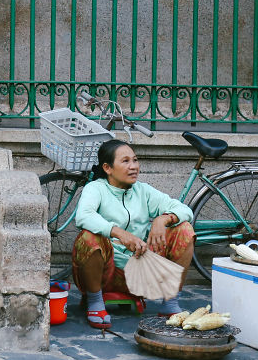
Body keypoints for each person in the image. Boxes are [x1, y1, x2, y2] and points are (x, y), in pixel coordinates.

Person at [73, 139, 195, 330]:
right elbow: (83, 216)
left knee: (184, 229)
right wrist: (120, 233)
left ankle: (170, 302)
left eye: (135, 160)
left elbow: (184, 209)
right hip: (107, 271)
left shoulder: (143, 191)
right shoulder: (96, 189)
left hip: (141, 270)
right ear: (107, 168)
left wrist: (162, 219)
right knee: (89, 237)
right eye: (126, 161)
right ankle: (96, 302)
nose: (133, 167)